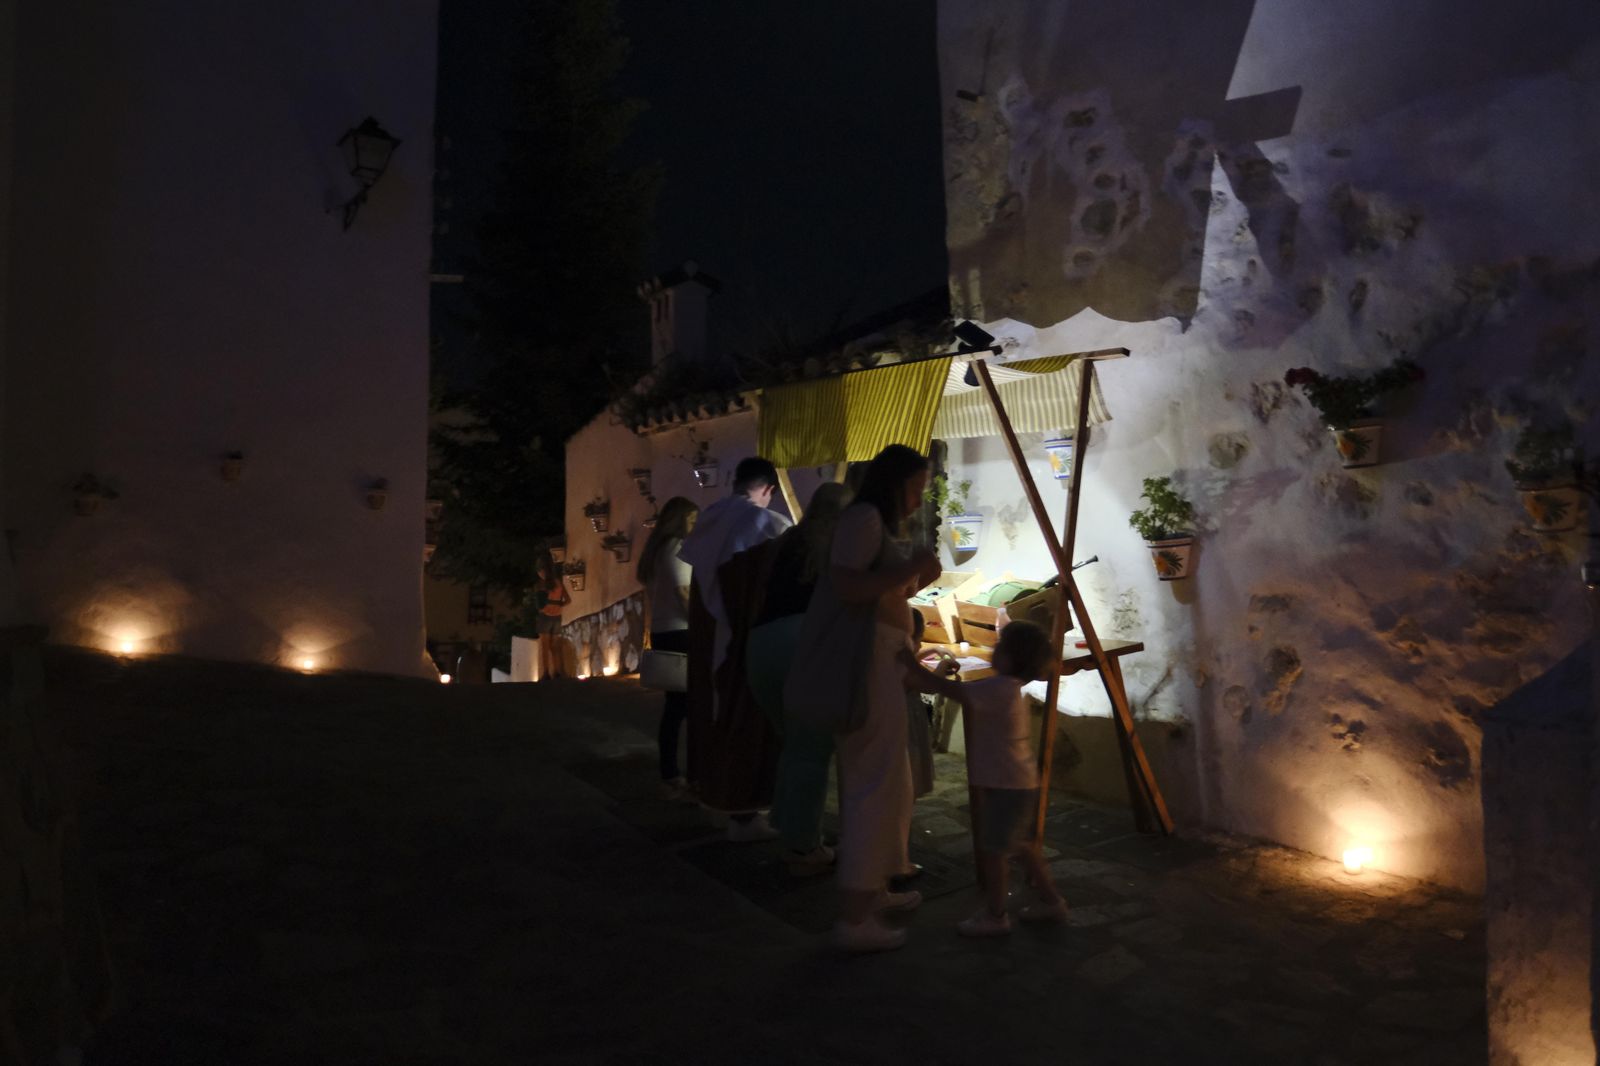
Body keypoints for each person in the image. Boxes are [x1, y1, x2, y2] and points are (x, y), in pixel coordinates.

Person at [822, 444, 942, 952]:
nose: (917, 501)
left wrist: (914, 578)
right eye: (914, 488)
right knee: (874, 782)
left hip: (885, 657)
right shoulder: (865, 519)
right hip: (869, 662)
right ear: (893, 484)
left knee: (891, 780)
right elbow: (848, 586)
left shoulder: (874, 523)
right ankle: (854, 917)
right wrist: (906, 569)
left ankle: (877, 890)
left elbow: (883, 591)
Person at [902, 619, 1070, 936]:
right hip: (1017, 782)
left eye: (999, 646)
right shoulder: (1007, 689)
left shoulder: (997, 688)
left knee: (994, 852)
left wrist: (908, 662)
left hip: (1007, 784)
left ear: (1010, 657)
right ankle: (1051, 901)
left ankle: (996, 915)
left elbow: (949, 690)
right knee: (1021, 846)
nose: (994, 650)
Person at [678, 457, 793, 841]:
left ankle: (712, 798)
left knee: (709, 716)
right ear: (769, 489)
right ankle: (742, 813)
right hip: (745, 638)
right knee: (744, 721)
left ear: (735, 481)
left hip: (709, 635)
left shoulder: (710, 517)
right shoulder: (766, 525)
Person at [745, 481, 852, 875]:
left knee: (793, 745)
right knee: (812, 751)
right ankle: (804, 848)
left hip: (762, 645)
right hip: (804, 646)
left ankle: (787, 827)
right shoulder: (837, 545)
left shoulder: (788, 540)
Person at [637, 496, 698, 802]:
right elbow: (684, 592)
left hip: (664, 630)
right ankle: (679, 775)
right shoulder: (676, 547)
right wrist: (702, 626)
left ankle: (672, 773)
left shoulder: (656, 552)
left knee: (675, 708)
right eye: (690, 520)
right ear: (678, 521)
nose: (694, 526)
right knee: (688, 707)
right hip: (681, 632)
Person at [533, 554, 569, 680]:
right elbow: (568, 600)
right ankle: (558, 672)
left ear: (542, 571)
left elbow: (540, 605)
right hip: (557, 617)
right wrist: (558, 605)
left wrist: (547, 607)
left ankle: (546, 673)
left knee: (545, 646)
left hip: (545, 617)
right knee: (555, 646)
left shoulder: (541, 585)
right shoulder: (558, 582)